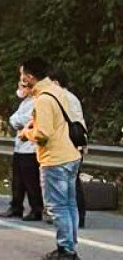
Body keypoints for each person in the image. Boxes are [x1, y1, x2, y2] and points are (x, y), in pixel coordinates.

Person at [19, 58, 83, 260]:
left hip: (55, 158)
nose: (21, 80)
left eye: (22, 75)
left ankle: (65, 250)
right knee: (70, 204)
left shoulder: (43, 99)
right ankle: (71, 245)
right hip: (71, 154)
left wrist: (26, 133)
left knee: (57, 206)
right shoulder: (57, 91)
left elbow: (43, 133)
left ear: (30, 77)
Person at [0, 81, 43, 221]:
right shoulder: (25, 102)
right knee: (17, 180)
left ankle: (36, 209)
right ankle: (16, 206)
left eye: (23, 87)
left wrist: (16, 120)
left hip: (30, 147)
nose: (20, 89)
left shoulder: (36, 101)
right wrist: (15, 120)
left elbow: (24, 120)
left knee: (30, 181)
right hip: (20, 147)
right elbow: (14, 118)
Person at [49, 69, 88, 230]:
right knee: (72, 181)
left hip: (67, 144)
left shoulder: (60, 97)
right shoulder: (72, 97)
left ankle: (71, 218)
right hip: (77, 141)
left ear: (56, 82)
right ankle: (77, 217)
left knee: (67, 183)